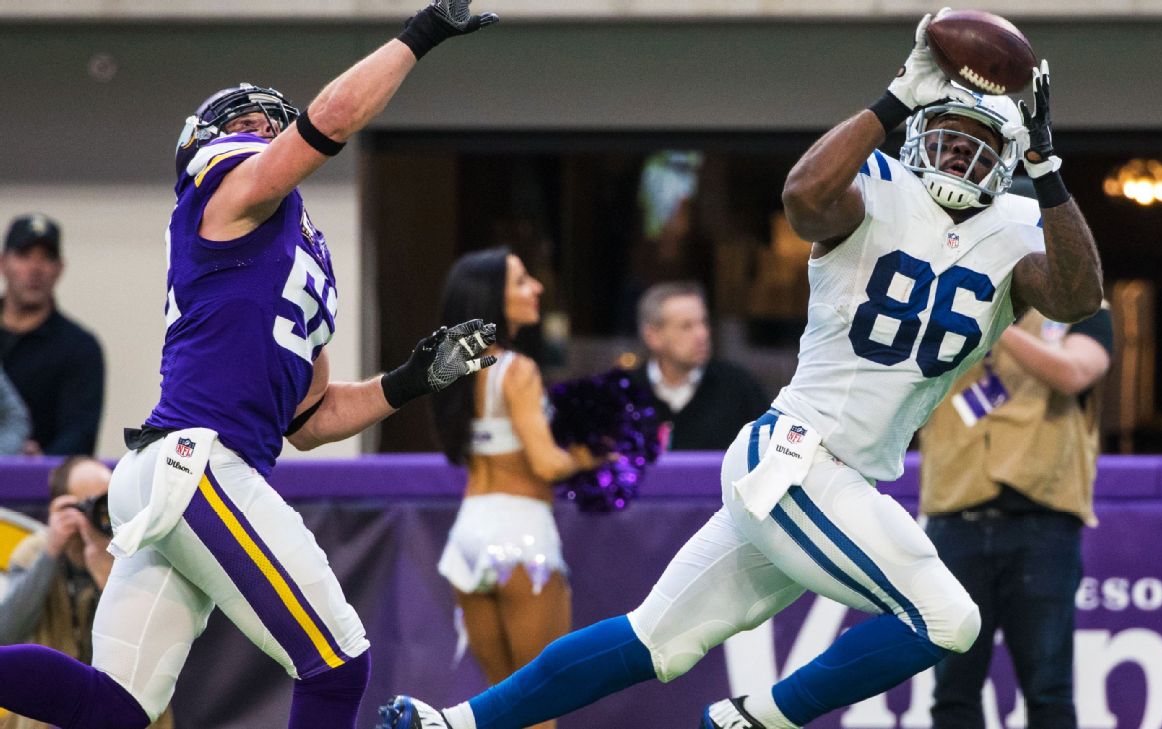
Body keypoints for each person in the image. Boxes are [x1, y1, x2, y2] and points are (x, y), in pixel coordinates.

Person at [378, 8, 1104, 729]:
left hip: (835, 475)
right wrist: (894, 98)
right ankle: (755, 719)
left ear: (1005, 159)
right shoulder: (876, 185)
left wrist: (1047, 168)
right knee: (948, 619)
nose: (953, 156)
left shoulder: (1017, 230)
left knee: (654, 640)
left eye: (975, 146)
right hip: (800, 458)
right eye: (944, 137)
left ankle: (451, 723)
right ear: (919, 131)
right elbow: (802, 197)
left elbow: (1078, 295)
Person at [0, 3, 500, 728]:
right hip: (198, 462)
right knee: (337, 659)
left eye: (272, 120)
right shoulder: (222, 191)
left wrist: (412, 381)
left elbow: (311, 419)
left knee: (115, 705)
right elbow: (332, 117)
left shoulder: (289, 252)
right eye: (248, 123)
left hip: (178, 472)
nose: (266, 127)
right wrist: (422, 33)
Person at [432, 248, 610, 729]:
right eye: (522, 281)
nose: (537, 288)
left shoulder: (449, 367)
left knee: (498, 706)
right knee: (539, 709)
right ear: (493, 298)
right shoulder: (518, 370)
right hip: (522, 541)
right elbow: (547, 463)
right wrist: (594, 453)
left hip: (467, 539)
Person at [919, 306, 1112, 729]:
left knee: (1048, 690)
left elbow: (1074, 373)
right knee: (952, 691)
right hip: (955, 519)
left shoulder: (1079, 306)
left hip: (1043, 525)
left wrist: (995, 324)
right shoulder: (942, 304)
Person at [0, 457, 173, 729]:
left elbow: (155, 646)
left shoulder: (136, 552)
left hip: (120, 710)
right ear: (62, 507)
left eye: (107, 502)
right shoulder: (36, 552)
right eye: (87, 504)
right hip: (46, 712)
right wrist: (51, 555)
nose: (101, 515)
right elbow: (6, 632)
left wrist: (108, 575)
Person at [0, 213, 104, 456]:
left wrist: (35, 463)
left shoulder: (79, 348)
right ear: (4, 263)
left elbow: (80, 434)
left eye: (46, 258)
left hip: (40, 489)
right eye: (24, 256)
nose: (34, 269)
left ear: (59, 268)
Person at [628, 281, 767, 450]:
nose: (702, 334)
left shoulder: (739, 388)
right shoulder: (622, 394)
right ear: (653, 336)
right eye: (686, 326)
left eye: (703, 323)